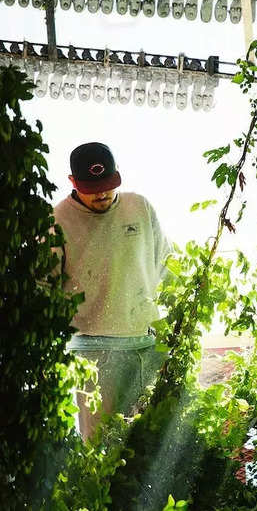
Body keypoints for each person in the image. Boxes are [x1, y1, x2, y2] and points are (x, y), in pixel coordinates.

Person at [53, 142, 172, 440]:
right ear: (73, 182)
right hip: (91, 350)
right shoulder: (57, 221)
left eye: (108, 184)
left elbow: (167, 264)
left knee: (146, 438)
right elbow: (44, 287)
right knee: (98, 443)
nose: (102, 193)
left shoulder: (140, 207)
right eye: (92, 188)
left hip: (144, 341)